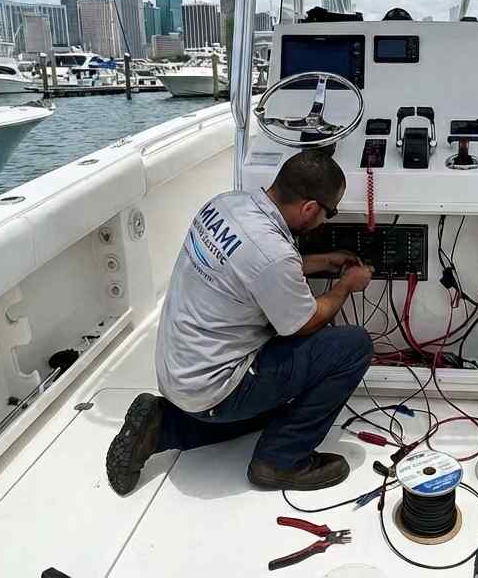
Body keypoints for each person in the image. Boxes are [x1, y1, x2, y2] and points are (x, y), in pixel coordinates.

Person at [105, 150, 374, 494]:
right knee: (352, 347)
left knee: (276, 406)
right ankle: (280, 460)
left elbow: (254, 267)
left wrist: (323, 261)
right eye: (328, 213)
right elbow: (305, 322)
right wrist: (346, 286)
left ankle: (164, 426)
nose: (325, 220)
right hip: (215, 390)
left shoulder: (227, 204)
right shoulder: (273, 256)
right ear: (309, 208)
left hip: (179, 377)